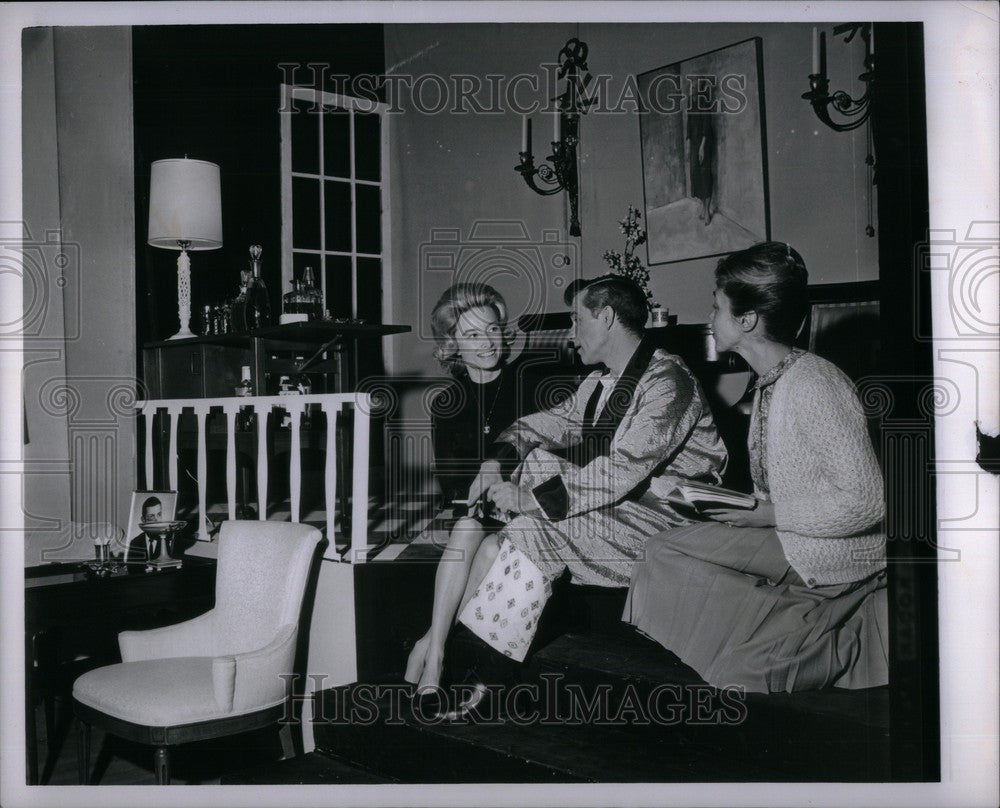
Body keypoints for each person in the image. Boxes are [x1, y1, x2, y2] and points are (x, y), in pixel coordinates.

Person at [624, 241, 888, 693]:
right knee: (659, 550)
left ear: (746, 320)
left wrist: (766, 514)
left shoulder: (815, 384)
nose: (710, 318)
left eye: (716, 307)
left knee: (739, 670)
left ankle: (836, 627)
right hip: (786, 534)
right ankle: (785, 618)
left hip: (832, 551)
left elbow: (868, 503)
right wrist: (722, 501)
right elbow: (783, 485)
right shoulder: (769, 382)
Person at [456, 275, 728, 666]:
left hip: (672, 523)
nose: (571, 333)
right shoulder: (601, 382)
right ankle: (467, 657)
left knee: (527, 530)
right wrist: (494, 462)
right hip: (625, 509)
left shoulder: (668, 382)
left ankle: (470, 666)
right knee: (532, 481)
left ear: (606, 318)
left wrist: (530, 499)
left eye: (576, 320)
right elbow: (547, 423)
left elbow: (620, 470)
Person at [404, 282, 542, 694]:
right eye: (472, 334)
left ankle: (431, 645)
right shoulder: (448, 403)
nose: (488, 342)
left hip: (529, 504)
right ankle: (437, 657)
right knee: (468, 530)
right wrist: (480, 501)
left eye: (493, 329)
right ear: (452, 345)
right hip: (477, 511)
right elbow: (452, 485)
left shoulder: (530, 377)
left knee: (475, 539)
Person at [127, 495, 163, 562]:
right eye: (151, 516)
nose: (157, 520)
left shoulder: (169, 541)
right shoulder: (134, 543)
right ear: (143, 520)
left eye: (159, 514)